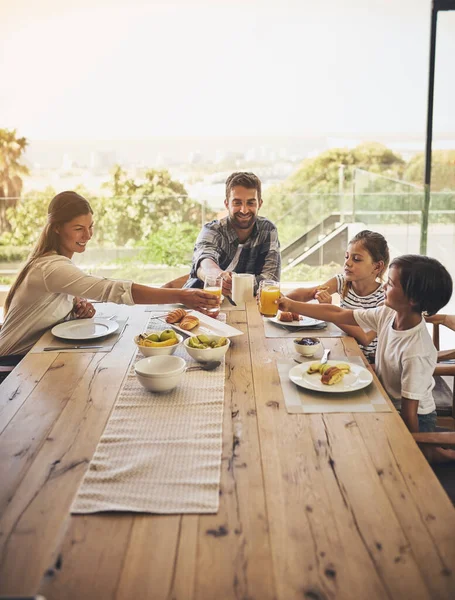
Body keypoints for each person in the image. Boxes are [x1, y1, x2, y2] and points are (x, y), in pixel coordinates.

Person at [0, 191, 218, 360]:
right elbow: (111, 289)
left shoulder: (54, 263)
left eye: (90, 226)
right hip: (11, 364)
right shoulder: (50, 268)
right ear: (57, 228)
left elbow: (43, 316)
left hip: (33, 356)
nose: (88, 235)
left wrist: (73, 313)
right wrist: (181, 295)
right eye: (78, 228)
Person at [278, 255, 454, 460]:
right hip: (385, 400)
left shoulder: (417, 350)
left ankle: (435, 453)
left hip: (415, 420)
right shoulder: (389, 314)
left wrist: (415, 445)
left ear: (412, 299)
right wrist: (291, 305)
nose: (384, 287)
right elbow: (337, 313)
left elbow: (409, 414)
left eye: (390, 284)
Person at [287, 230, 389, 363]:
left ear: (377, 267)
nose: (348, 263)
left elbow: (365, 338)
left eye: (356, 259)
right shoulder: (342, 282)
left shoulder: (384, 298)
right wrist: (279, 297)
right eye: (347, 257)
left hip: (368, 362)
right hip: (344, 350)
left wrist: (328, 310)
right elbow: (307, 294)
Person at [185, 171, 281, 296]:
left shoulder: (268, 229)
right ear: (227, 204)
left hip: (248, 305)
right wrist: (218, 277)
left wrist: (235, 285)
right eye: (237, 203)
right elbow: (204, 263)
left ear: (260, 204)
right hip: (203, 303)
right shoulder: (211, 230)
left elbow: (270, 280)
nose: (244, 210)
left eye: (251, 203)